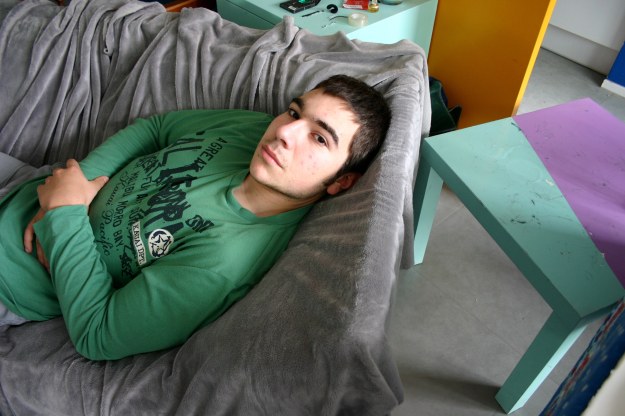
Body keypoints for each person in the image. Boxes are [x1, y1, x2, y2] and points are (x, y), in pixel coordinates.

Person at [0, 74, 391, 360]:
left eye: (319, 138)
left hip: (10, 275)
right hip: (29, 184)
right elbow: (156, 129)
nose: (285, 133)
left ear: (341, 182)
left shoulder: (223, 263)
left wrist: (65, 211)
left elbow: (98, 334)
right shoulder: (256, 132)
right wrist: (81, 180)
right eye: (294, 112)